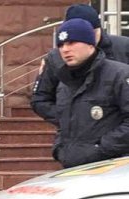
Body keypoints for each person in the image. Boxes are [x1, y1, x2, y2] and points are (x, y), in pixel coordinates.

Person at [48, 19, 129, 168]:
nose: (65, 50)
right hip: (73, 168)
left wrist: (100, 148)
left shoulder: (119, 75)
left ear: (90, 44)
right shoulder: (65, 83)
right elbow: (64, 122)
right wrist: (60, 148)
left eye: (72, 43)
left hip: (111, 168)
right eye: (61, 45)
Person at [31, 3, 129, 125]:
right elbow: (40, 99)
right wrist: (71, 120)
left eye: (91, 32)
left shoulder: (124, 48)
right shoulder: (56, 58)